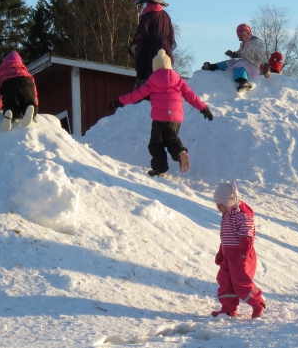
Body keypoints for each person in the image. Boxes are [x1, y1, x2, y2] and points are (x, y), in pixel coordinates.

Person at [108, 49, 213, 177]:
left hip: (159, 117)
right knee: (172, 140)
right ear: (169, 66)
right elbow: (191, 96)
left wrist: (119, 101)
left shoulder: (152, 81)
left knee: (156, 144)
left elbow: (137, 95)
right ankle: (180, 153)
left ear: (155, 67)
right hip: (175, 118)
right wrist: (204, 109)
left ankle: (160, 169)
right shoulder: (179, 80)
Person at [211, 181, 266, 319]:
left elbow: (247, 236)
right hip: (228, 256)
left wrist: (243, 253)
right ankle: (228, 308)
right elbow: (226, 239)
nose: (218, 208)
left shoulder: (242, 217)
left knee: (241, 283)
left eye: (220, 205)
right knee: (225, 281)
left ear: (228, 203)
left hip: (241, 256)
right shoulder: (227, 216)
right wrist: (221, 253)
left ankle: (258, 303)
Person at [128, 0, 176, 88]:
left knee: (148, 78)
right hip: (165, 53)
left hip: (150, 53)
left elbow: (142, 32)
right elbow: (172, 38)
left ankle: (146, 98)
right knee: (164, 78)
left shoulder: (148, 16)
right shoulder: (165, 15)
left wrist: (134, 45)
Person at [202, 24, 267, 92]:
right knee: (230, 62)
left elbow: (262, 54)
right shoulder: (243, 44)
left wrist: (266, 65)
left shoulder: (256, 43)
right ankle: (212, 66)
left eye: (247, 33)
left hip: (254, 66)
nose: (246, 36)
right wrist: (233, 54)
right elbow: (241, 53)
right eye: (243, 35)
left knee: (239, 67)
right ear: (240, 37)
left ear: (250, 32)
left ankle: (243, 82)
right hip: (245, 61)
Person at [0, 51, 39, 132]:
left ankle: (10, 111)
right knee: (28, 103)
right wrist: (35, 103)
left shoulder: (1, 73)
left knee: (12, 105)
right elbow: (34, 90)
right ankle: (29, 107)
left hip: (8, 85)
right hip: (26, 82)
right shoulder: (26, 73)